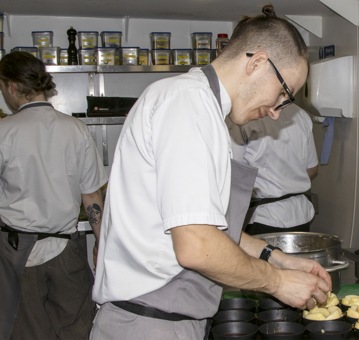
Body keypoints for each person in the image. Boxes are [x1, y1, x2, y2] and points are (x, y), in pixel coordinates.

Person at [91, 4, 332, 339]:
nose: (277, 112)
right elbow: (197, 245)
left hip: (167, 318)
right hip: (150, 323)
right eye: (282, 93)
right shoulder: (187, 104)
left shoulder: (204, 110)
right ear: (257, 62)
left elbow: (209, 229)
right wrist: (277, 282)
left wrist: (276, 258)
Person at [0, 52, 108, 340]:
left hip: (17, 254)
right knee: (78, 328)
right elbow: (92, 197)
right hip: (67, 252)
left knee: (26, 331)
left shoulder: (2, 131)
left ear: (10, 86)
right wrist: (103, 243)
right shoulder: (76, 129)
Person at [227, 103, 318, 235]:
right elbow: (312, 169)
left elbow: (231, 175)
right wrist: (287, 185)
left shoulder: (245, 116)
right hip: (300, 217)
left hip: (262, 218)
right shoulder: (301, 114)